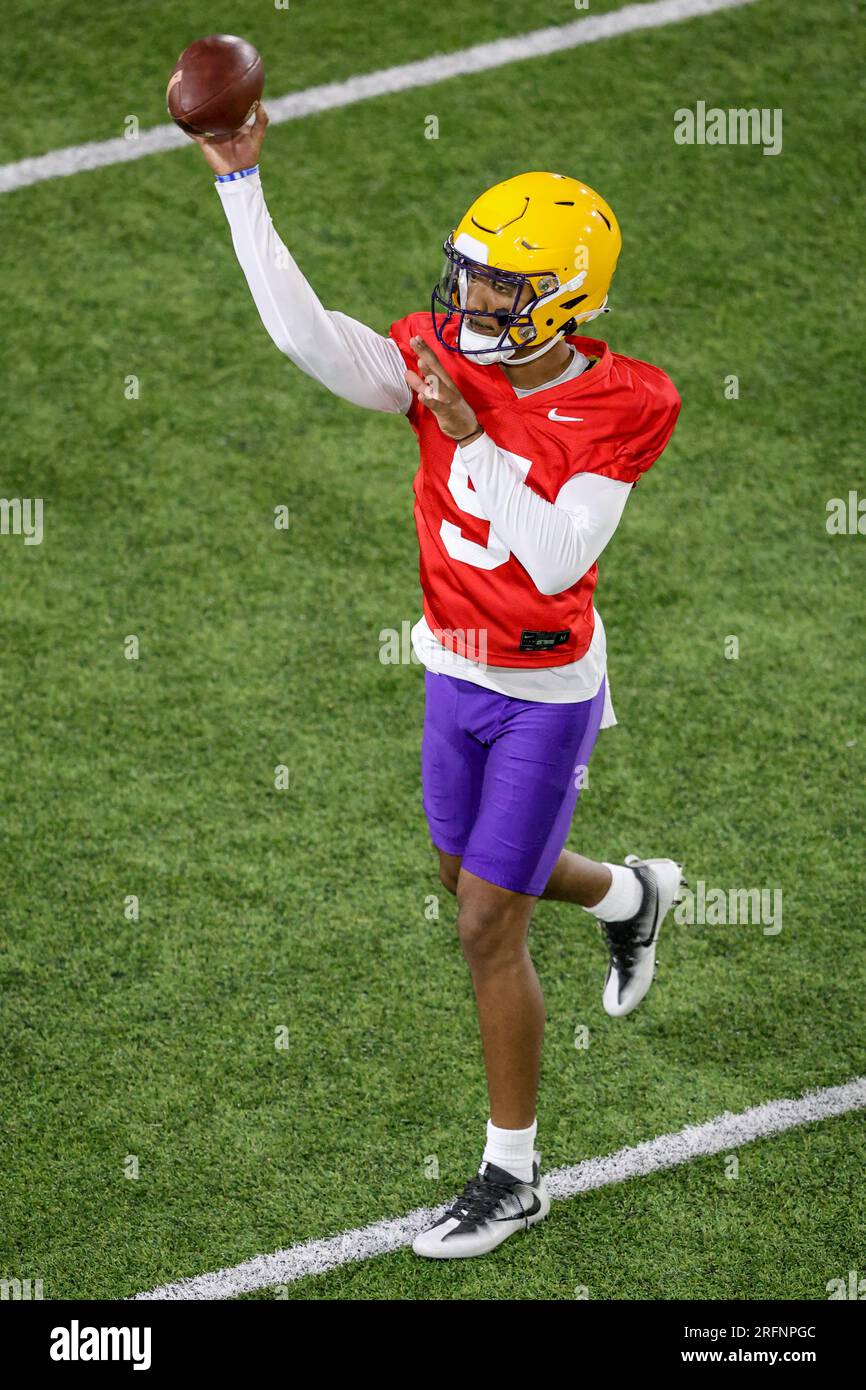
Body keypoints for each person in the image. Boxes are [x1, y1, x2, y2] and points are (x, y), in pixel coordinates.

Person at [190, 104, 684, 1260]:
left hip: (541, 684)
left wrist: (466, 438)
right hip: (447, 664)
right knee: (470, 873)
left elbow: (557, 557)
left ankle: (510, 1175)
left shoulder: (622, 403)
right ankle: (627, 895)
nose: (470, 304)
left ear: (563, 296)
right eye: (466, 277)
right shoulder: (440, 352)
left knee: (480, 928)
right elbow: (307, 339)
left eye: (500, 288)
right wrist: (239, 183)